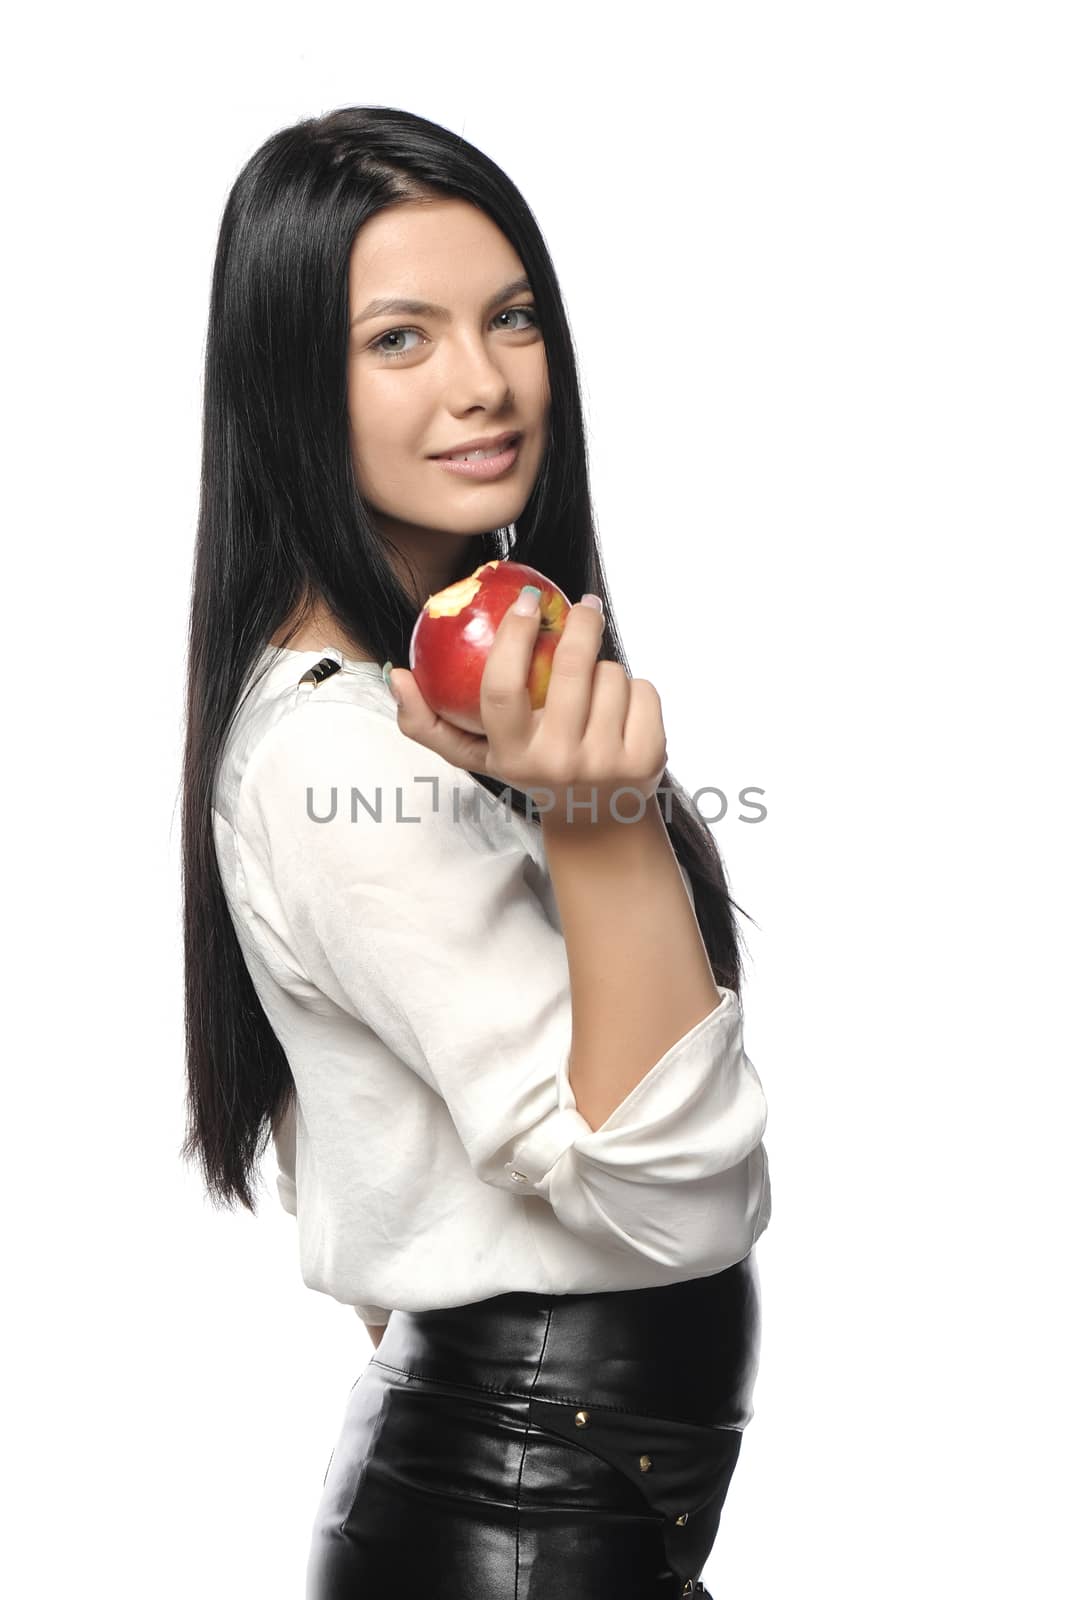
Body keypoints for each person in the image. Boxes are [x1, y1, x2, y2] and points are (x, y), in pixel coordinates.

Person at [181, 105, 772, 1600]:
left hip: (558, 1502)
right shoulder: (334, 751)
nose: (486, 382)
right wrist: (603, 822)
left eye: (509, 317)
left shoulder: (420, 693)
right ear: (290, 382)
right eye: (400, 339)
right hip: (515, 1514)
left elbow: (396, 1154)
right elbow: (669, 1199)